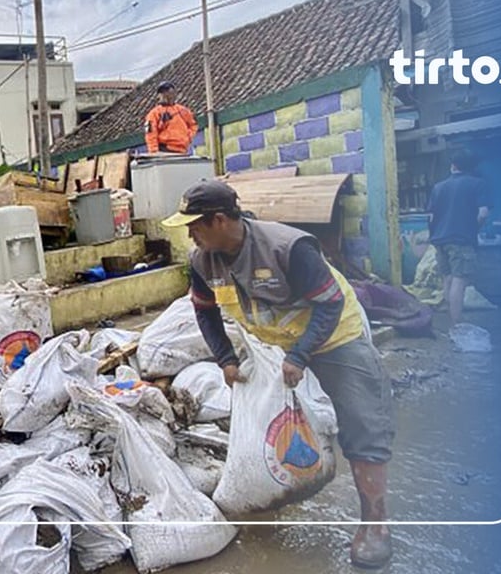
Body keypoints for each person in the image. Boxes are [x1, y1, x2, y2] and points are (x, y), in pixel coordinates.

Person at [162, 180, 394, 569]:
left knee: (363, 426)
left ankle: (375, 524)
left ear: (220, 220)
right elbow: (205, 311)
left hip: (336, 335)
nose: (189, 234)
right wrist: (224, 357)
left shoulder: (289, 247)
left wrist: (301, 355)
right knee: (275, 419)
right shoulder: (203, 260)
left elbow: (330, 302)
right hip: (276, 340)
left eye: (194, 224)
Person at [426, 148, 491, 328]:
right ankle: (457, 323)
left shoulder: (438, 187)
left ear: (453, 165)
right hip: (461, 239)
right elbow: (483, 213)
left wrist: (435, 235)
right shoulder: (478, 184)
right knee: (459, 280)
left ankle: (450, 317)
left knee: (447, 278)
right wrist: (473, 229)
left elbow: (431, 217)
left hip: (440, 240)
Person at [143, 81, 198, 154]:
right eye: (163, 92)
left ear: (174, 94)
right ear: (159, 95)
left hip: (182, 151)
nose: (166, 94)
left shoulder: (183, 111)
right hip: (164, 151)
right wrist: (154, 152)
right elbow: (151, 134)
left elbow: (193, 124)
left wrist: (188, 137)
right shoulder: (154, 114)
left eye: (168, 91)